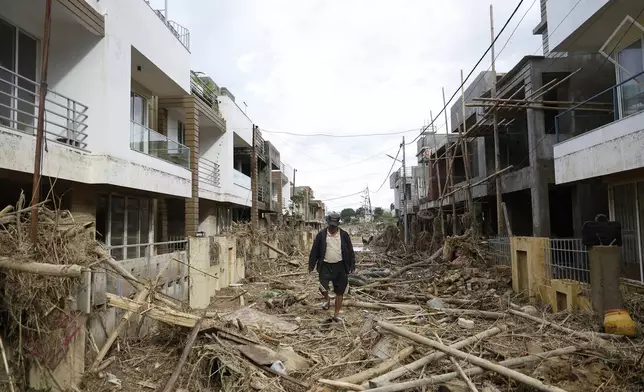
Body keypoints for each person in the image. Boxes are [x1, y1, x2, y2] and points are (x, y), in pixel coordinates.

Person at [308, 211, 356, 322]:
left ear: (338, 225)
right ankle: (327, 298)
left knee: (340, 291)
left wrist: (352, 265)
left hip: (340, 266)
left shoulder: (344, 235)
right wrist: (311, 265)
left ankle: (336, 314)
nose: (333, 228)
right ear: (328, 224)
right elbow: (314, 251)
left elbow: (350, 251)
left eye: (335, 226)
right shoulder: (321, 235)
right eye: (331, 225)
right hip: (325, 265)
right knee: (322, 286)